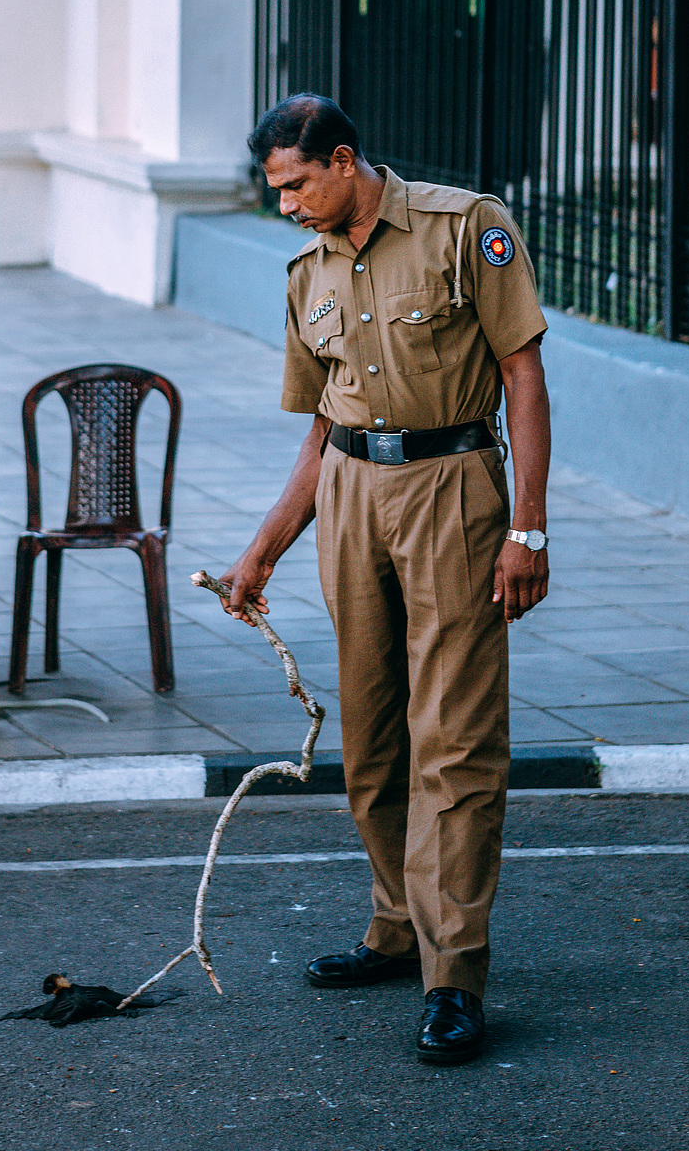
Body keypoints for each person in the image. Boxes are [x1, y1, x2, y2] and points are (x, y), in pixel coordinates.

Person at [217, 94, 551, 1066]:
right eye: (273, 189)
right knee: (368, 737)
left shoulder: (463, 227)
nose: (283, 205)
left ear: (343, 159)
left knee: (451, 739)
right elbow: (320, 423)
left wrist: (525, 528)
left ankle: (454, 976)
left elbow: (522, 376)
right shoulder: (305, 270)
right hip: (349, 493)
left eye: (293, 185)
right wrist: (263, 547)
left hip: (450, 486)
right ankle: (395, 928)